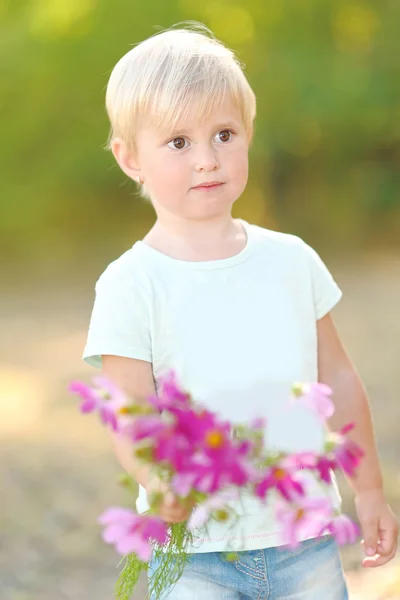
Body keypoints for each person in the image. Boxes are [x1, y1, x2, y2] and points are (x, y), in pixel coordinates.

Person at [82, 22, 398, 599]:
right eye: (178, 143)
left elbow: (341, 381)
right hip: (194, 552)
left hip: (304, 542)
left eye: (224, 134)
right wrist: (156, 478)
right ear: (131, 159)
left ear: (249, 134)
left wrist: (371, 489)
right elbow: (129, 410)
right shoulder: (131, 284)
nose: (207, 159)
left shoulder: (292, 261)